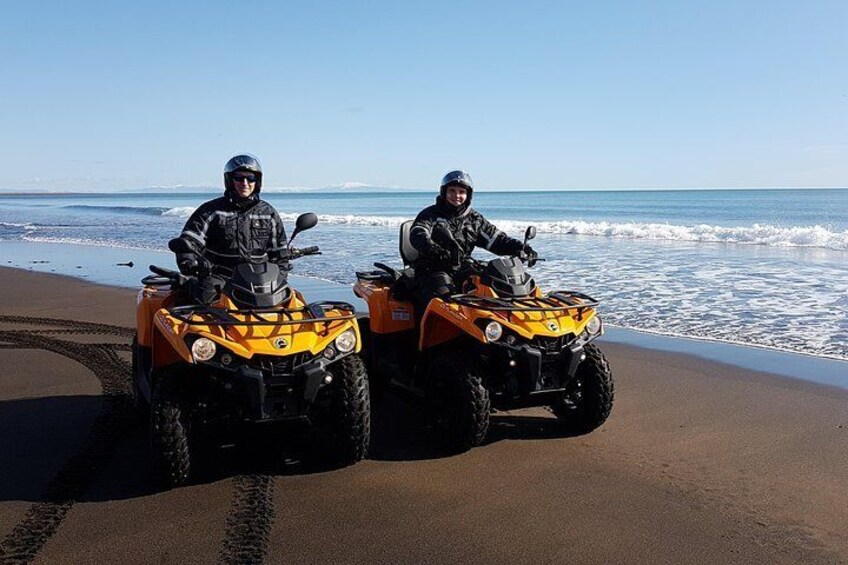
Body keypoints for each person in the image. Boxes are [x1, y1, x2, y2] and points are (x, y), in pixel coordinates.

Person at [408, 169, 537, 315]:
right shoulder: (430, 215)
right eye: (452, 191)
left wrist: (521, 248)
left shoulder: (474, 219)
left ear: (468, 195)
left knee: (497, 285)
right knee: (443, 300)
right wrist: (434, 249)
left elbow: (497, 240)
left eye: (461, 192)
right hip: (432, 268)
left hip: (463, 267)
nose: (457, 195)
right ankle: (428, 334)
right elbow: (418, 233)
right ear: (444, 192)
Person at [169, 154, 287, 303]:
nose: (245, 183)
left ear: (257, 181)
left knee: (289, 302)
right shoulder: (212, 211)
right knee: (203, 304)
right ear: (230, 180)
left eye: (250, 178)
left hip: (260, 282)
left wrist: (279, 277)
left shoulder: (268, 213)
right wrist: (192, 264)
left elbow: (280, 253)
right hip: (221, 278)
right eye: (239, 178)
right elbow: (190, 241)